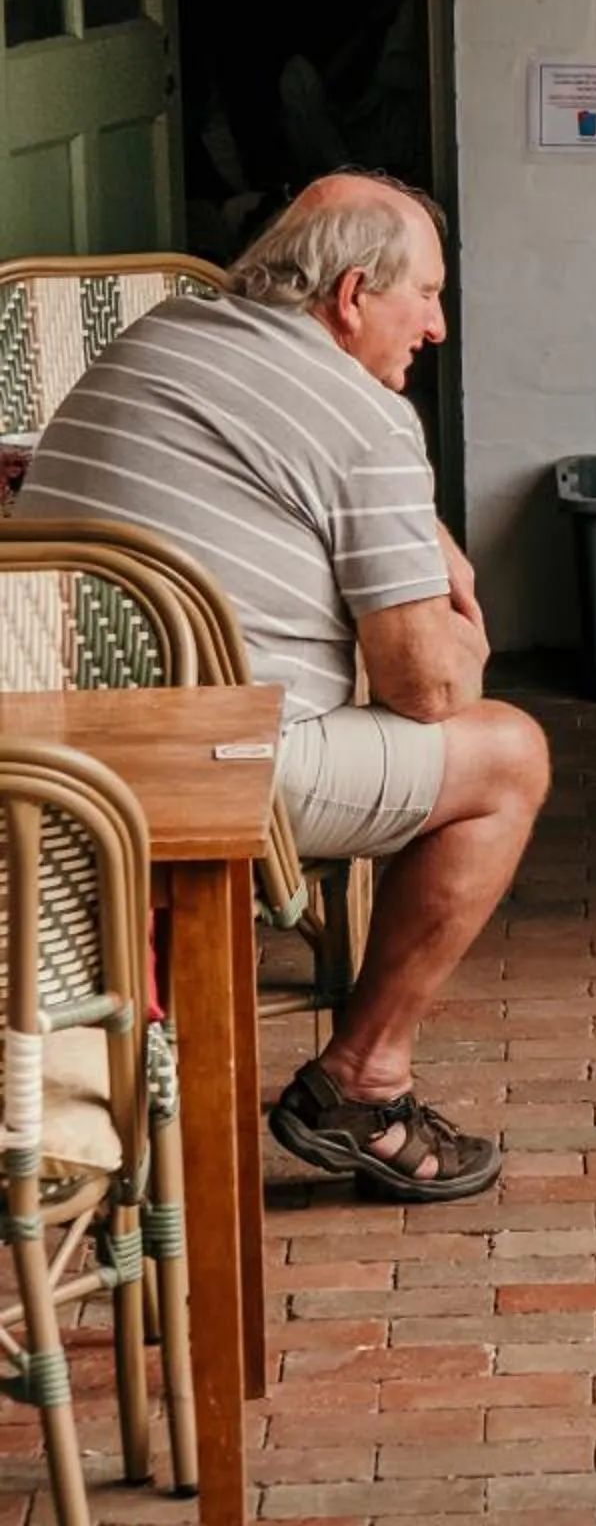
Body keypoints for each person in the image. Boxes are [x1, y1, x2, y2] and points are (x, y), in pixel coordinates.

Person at [16, 172, 546, 1200]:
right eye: (426, 295)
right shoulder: (364, 418)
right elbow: (427, 686)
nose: (435, 326)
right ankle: (361, 1079)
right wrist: (464, 619)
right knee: (509, 752)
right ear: (353, 296)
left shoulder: (165, 334)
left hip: (43, 751)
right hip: (202, 769)